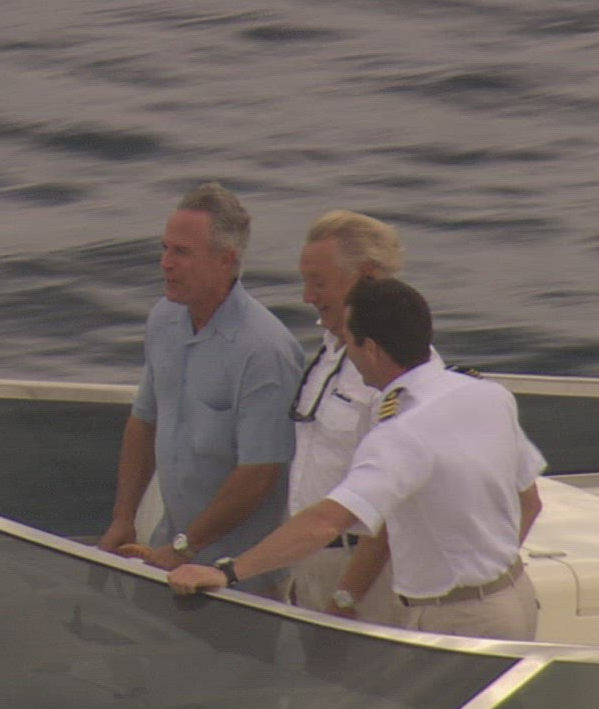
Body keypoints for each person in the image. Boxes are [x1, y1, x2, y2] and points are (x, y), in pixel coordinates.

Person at [168, 277, 546, 641]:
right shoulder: (489, 395)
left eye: (348, 341)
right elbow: (530, 502)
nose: (347, 352)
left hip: (458, 621)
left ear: (372, 349)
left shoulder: (401, 432)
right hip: (514, 596)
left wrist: (230, 573)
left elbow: (325, 523)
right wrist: (488, 577)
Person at [97, 181, 305, 596]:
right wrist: (124, 517)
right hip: (168, 550)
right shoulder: (163, 320)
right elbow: (144, 421)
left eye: (182, 252)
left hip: (240, 574)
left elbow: (260, 472)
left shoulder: (264, 351)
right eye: (165, 249)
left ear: (226, 260)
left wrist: (188, 547)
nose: (166, 264)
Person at [286, 210, 426, 626]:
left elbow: (391, 506)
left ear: (366, 276)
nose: (307, 296)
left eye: (319, 283)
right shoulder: (331, 353)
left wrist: (346, 597)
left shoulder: (395, 370)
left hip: (364, 578)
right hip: (313, 560)